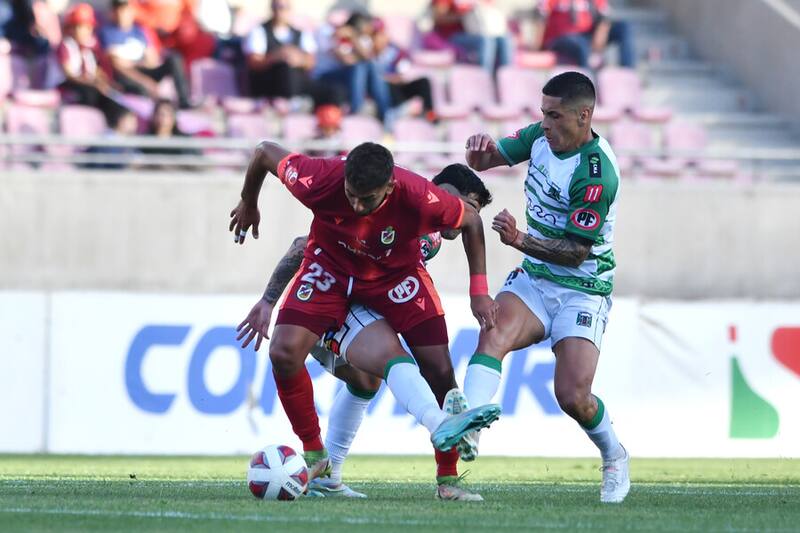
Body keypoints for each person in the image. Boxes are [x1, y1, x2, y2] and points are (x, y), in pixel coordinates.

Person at [228, 141, 501, 487]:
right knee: (284, 353)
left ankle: (447, 479)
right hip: (330, 271)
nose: (356, 206)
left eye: (366, 199)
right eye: (351, 195)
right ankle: (318, 456)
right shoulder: (320, 178)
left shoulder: (420, 201)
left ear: (389, 187)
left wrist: (478, 291)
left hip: (395, 279)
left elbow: (472, 221)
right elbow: (265, 151)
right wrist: (249, 203)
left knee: (428, 370)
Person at [462, 71, 630, 503]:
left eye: (554, 116)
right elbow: (486, 160)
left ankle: (614, 455)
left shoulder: (596, 172)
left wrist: (520, 240)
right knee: (492, 330)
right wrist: (478, 153)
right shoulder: (540, 136)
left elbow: (576, 251)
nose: (546, 123)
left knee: (572, 395)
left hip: (583, 286)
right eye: (543, 114)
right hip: (536, 277)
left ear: (583, 115)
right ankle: (471, 426)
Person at [243, 0, 343, 109]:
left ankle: (326, 121)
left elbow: (311, 62)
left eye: (284, 7)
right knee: (285, 69)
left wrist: (298, 59)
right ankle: (294, 106)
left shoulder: (301, 33)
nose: (280, 11)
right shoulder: (259, 31)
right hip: (271, 82)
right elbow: (254, 63)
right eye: (277, 7)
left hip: (297, 81)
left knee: (335, 92)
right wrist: (277, 56)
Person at [100, 0, 192, 109]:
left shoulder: (139, 31)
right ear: (113, 12)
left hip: (144, 71)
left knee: (174, 59)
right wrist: (145, 81)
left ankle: (184, 101)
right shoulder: (106, 32)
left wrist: (133, 63)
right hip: (128, 77)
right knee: (141, 90)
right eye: (118, 10)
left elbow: (152, 60)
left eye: (125, 10)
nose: (122, 14)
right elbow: (117, 65)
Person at [56, 3, 130, 129]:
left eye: (88, 27)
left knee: (117, 103)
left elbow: (96, 72)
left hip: (90, 86)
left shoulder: (90, 50)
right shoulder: (65, 46)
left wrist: (106, 83)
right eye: (81, 27)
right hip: (70, 87)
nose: (86, 31)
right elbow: (69, 75)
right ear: (71, 28)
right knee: (92, 94)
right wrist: (94, 84)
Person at [314, 12, 393, 128]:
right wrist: (344, 38)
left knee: (369, 66)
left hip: (347, 75)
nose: (370, 30)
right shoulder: (330, 33)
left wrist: (354, 39)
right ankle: (357, 109)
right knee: (359, 67)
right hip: (326, 76)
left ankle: (385, 113)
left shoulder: (360, 39)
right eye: (367, 26)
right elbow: (345, 60)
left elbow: (367, 57)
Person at [533, 0, 635, 69]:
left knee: (624, 27)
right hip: (560, 38)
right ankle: (586, 88)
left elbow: (605, 17)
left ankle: (627, 74)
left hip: (586, 36)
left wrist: (600, 36)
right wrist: (538, 47)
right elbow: (540, 18)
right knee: (581, 45)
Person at [424, 0, 512, 74]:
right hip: (450, 37)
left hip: (470, 34)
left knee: (504, 39)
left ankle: (505, 77)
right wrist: (461, 14)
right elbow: (438, 18)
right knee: (485, 41)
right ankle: (484, 77)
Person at [128, 0, 216, 74]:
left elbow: (189, 13)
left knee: (204, 41)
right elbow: (131, 10)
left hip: (176, 35)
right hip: (150, 34)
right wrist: (154, 22)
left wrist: (183, 27)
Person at [140, 98, 201, 167]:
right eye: (159, 114)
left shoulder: (184, 140)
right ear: (153, 116)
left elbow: (197, 162)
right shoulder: (145, 141)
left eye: (167, 115)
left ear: (174, 117)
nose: (162, 119)